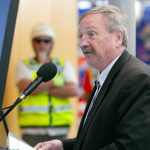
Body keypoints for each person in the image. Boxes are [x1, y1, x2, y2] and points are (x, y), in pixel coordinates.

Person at [34, 5, 150, 150]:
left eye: (92, 34)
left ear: (118, 38)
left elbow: (129, 146)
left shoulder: (138, 79)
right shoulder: (107, 74)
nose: (82, 43)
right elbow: (97, 138)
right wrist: (62, 145)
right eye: (81, 35)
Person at [15, 23, 78, 146]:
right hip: (31, 130)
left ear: (52, 43)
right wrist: (57, 82)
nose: (42, 44)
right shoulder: (24, 64)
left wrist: (39, 87)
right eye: (37, 40)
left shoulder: (64, 64)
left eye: (46, 40)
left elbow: (72, 90)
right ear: (32, 43)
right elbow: (26, 88)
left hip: (60, 129)